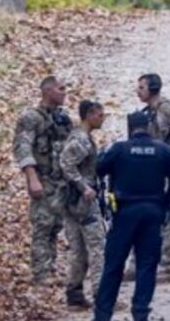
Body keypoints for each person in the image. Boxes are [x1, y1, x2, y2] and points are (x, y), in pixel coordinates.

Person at [94, 111, 170, 321]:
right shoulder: (164, 151)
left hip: (124, 213)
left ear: (130, 128)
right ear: (149, 127)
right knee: (147, 265)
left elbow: (98, 169)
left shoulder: (119, 149)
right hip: (153, 212)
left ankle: (102, 314)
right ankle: (141, 312)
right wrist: (167, 202)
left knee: (114, 265)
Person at [134, 73, 170, 283]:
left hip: (164, 171)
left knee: (165, 216)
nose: (138, 91)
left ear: (152, 88)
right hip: (150, 170)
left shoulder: (166, 108)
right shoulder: (149, 111)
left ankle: (168, 267)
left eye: (141, 87)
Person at [13, 76, 73, 285]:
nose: (64, 92)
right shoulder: (31, 118)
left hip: (60, 181)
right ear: (47, 91)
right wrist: (32, 178)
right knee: (43, 225)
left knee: (56, 225)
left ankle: (50, 267)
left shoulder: (62, 118)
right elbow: (22, 147)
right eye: (60, 89)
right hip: (43, 178)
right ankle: (41, 272)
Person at [60, 100, 106, 309]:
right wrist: (84, 187)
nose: (102, 118)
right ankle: (101, 295)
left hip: (71, 202)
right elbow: (66, 163)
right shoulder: (82, 140)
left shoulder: (79, 136)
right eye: (99, 115)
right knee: (97, 247)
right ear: (89, 115)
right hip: (83, 202)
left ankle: (75, 295)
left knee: (78, 250)